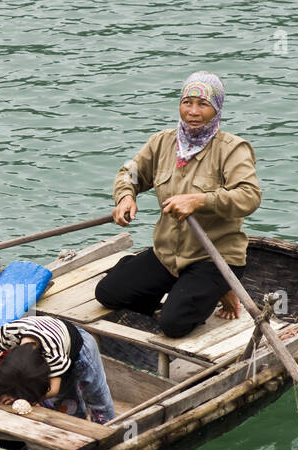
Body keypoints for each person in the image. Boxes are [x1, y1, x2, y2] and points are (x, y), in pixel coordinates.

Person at [94, 71, 262, 338]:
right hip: (167, 254)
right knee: (106, 294)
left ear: (216, 108)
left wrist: (201, 200)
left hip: (213, 258)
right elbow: (130, 173)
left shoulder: (232, 149)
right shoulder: (162, 142)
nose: (193, 111)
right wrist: (126, 195)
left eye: (202, 104)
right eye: (187, 102)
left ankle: (223, 287)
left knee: (173, 325)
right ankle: (174, 286)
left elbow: (250, 196)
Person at [0, 314, 115, 424]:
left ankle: (106, 424)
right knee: (66, 399)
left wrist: (29, 399)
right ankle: (75, 424)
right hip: (50, 336)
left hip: (81, 349)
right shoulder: (9, 333)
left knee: (95, 392)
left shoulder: (53, 353)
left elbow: (54, 389)